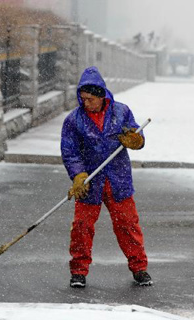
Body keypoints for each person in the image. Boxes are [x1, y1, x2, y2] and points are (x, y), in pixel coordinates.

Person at [61, 66, 152, 288]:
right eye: (82, 99)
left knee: (127, 225)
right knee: (82, 227)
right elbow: (70, 151)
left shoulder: (121, 113)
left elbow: (136, 136)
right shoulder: (74, 120)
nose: (86, 103)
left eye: (90, 99)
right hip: (90, 182)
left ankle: (139, 268)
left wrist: (135, 140)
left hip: (117, 180)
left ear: (102, 96)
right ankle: (78, 272)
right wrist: (78, 174)